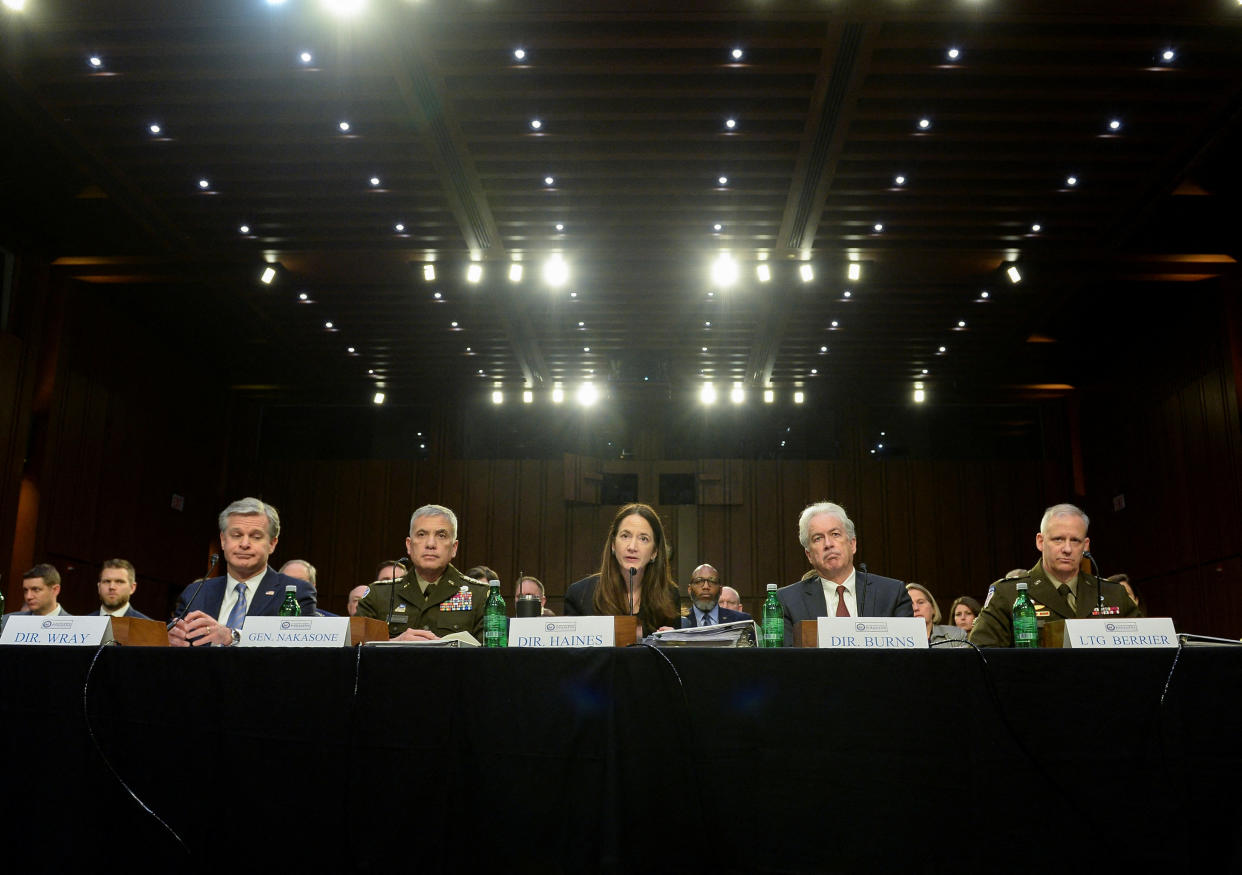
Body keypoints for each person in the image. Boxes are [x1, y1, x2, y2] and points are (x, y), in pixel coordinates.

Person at [970, 503, 1141, 647]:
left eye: (1075, 540)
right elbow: (982, 654)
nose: (1067, 549)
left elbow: (1148, 647)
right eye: (1058, 539)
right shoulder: (1008, 594)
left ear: (1086, 545)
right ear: (1040, 541)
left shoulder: (1113, 593)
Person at [168, 497, 317, 646]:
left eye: (256, 537)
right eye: (236, 535)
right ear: (223, 540)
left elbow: (298, 650)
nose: (244, 544)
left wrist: (232, 636)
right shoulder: (196, 593)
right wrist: (168, 640)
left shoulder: (297, 593)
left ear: (272, 544)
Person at [777, 501, 912, 645]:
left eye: (835, 534)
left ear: (852, 544)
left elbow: (908, 656)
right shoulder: (787, 601)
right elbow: (786, 661)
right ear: (809, 555)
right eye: (818, 538)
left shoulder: (892, 593)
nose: (828, 544)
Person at [354, 504, 489, 641]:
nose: (430, 544)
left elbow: (492, 655)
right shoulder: (378, 595)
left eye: (441, 535)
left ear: (454, 548)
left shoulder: (481, 596)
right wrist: (396, 642)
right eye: (421, 534)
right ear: (409, 545)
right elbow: (355, 650)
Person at [563, 503, 680, 636]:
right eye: (625, 536)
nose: (632, 546)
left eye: (643, 539)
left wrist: (671, 643)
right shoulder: (580, 594)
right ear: (613, 544)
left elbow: (672, 655)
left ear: (654, 552)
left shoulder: (669, 595)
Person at [682, 563, 752, 627]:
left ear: (720, 590)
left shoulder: (742, 620)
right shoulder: (679, 621)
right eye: (699, 581)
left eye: (712, 581)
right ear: (690, 590)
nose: (706, 587)